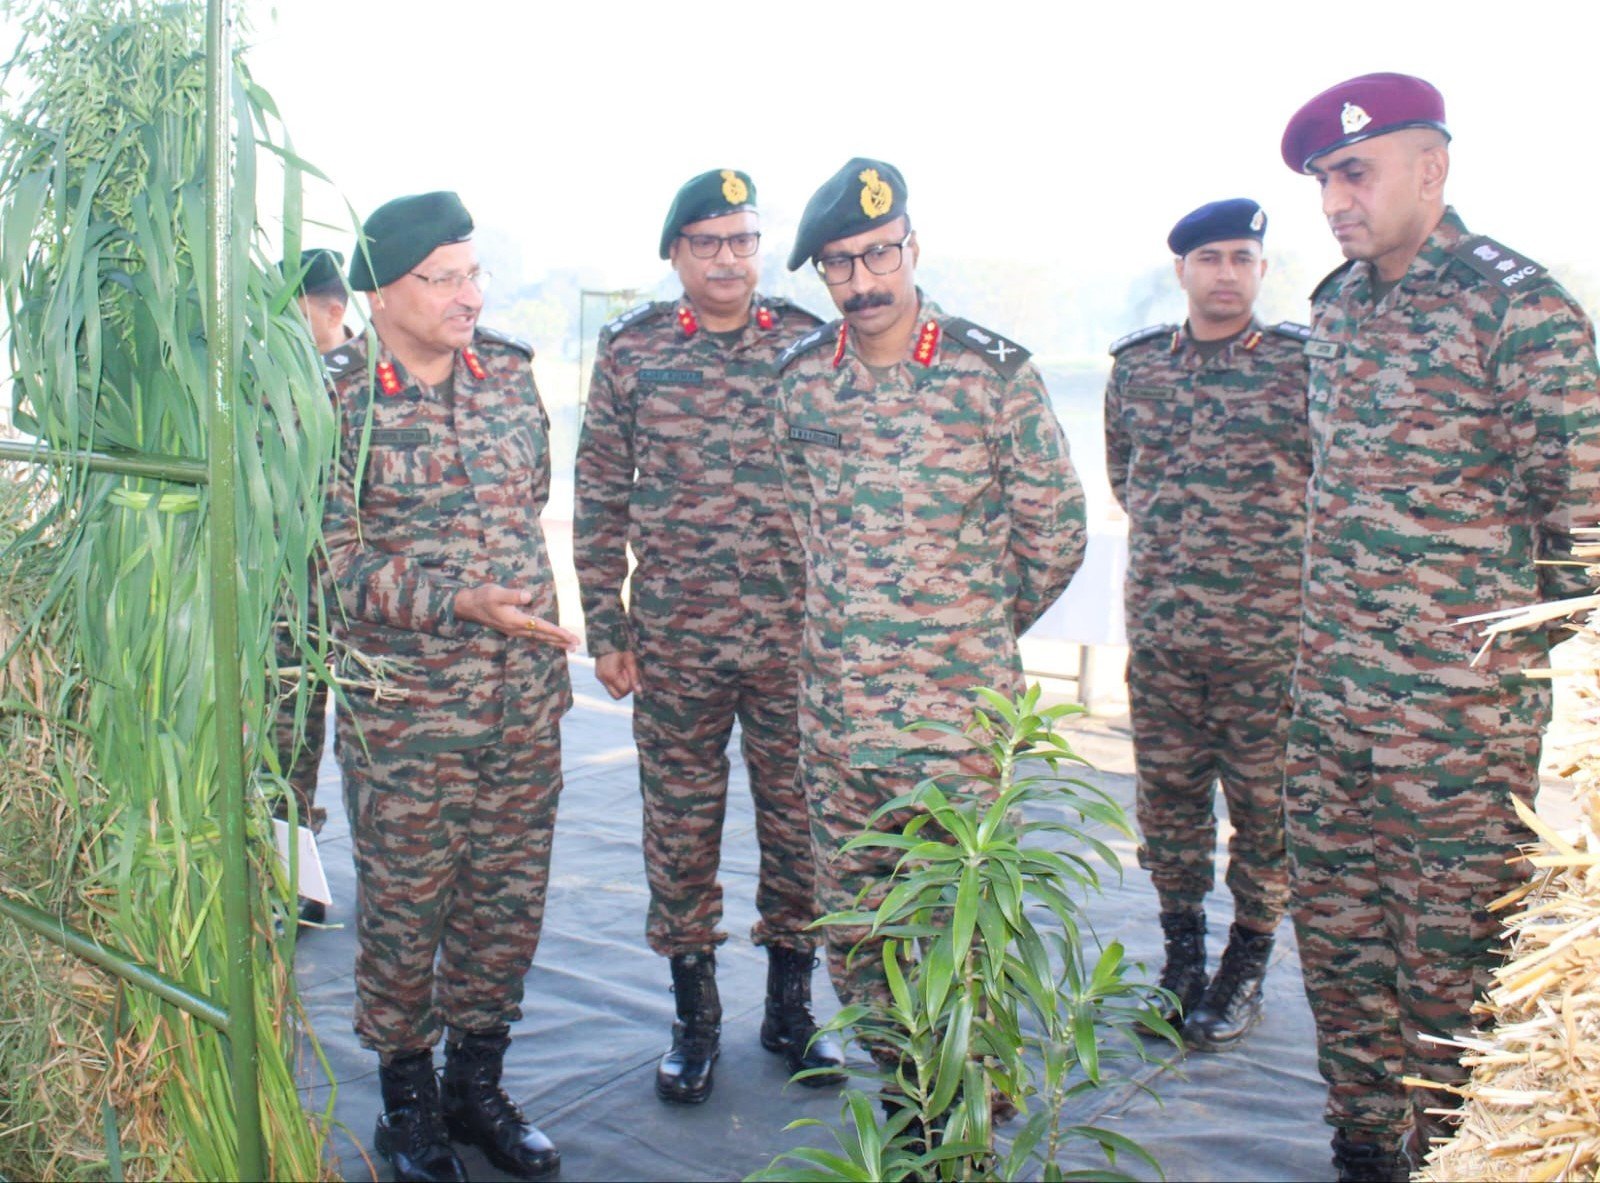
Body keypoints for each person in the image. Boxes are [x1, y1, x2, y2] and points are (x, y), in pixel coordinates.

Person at [1279, 73, 1600, 1180]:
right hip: (1327, 715)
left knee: (1454, 977)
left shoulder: (1518, 311)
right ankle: (1362, 1151)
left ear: (1432, 167)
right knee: (1338, 952)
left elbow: (1585, 532)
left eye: (1354, 173)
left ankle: (1455, 1161)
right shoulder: (1333, 311)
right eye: (1323, 179)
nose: (1333, 201)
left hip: (1455, 733)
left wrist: (1481, 662)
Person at [773, 158, 1086, 1065]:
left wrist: (968, 629)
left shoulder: (991, 375)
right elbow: (808, 529)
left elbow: (1056, 533)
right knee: (862, 942)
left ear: (913, 247)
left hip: (959, 729)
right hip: (840, 731)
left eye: (879, 254)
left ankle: (971, 1138)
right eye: (839, 264)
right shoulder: (799, 384)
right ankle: (910, 1123)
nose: (863, 282)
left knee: (968, 948)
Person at [573, 168, 843, 1106]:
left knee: (799, 827)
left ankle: (791, 1006)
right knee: (679, 834)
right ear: (676, 254)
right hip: (677, 638)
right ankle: (694, 1018)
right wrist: (605, 623)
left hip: (794, 637)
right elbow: (600, 493)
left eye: (743, 239)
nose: (729, 258)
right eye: (708, 242)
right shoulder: (632, 351)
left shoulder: (813, 342)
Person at [322, 191, 575, 1183]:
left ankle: (478, 1085)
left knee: (505, 903)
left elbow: (532, 501)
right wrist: (455, 601)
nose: (470, 293)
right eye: (445, 277)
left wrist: (496, 608)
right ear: (381, 291)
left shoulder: (509, 375)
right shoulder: (333, 397)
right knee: (404, 906)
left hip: (523, 700)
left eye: (474, 272)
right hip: (409, 715)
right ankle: (406, 1103)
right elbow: (328, 561)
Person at [1105, 199, 1310, 1051]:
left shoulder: (1303, 368)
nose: (1226, 273)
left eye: (1242, 258)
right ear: (1181, 270)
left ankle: (1247, 963)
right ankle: (1181, 957)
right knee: (1171, 806)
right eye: (1210, 259)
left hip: (1269, 645)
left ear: (1261, 270)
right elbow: (1125, 476)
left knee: (1269, 813)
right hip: (1164, 642)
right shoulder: (1139, 369)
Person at [272, 247, 351, 927]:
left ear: (332, 311)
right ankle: (298, 878)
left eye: (291, 319)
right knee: (288, 736)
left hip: (367, 600)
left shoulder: (369, 382)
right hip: (293, 598)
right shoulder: (278, 380)